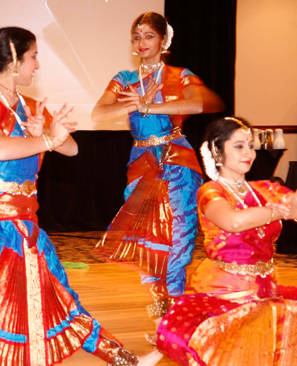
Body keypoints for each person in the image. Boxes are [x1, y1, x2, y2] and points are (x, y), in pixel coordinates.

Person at [0, 27, 161, 366]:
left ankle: (122, 361)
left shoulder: (27, 104)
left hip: (22, 219)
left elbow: (71, 149)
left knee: (57, 294)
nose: (37, 64)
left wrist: (52, 132)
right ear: (13, 60)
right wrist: (45, 139)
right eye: (32, 57)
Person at [156, 117, 297, 366]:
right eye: (238, 146)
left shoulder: (265, 190)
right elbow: (234, 222)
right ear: (216, 150)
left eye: (251, 145)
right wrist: (281, 212)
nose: (248, 152)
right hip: (225, 291)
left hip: (265, 288)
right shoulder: (211, 192)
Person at [92, 12, 224, 337]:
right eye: (137, 37)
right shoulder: (124, 78)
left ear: (164, 41)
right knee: (150, 244)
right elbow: (99, 112)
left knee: (179, 239)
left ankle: (175, 318)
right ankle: (162, 318)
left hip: (176, 159)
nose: (141, 43)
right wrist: (133, 103)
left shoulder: (180, 75)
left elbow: (199, 104)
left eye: (149, 36)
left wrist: (149, 107)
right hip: (141, 164)